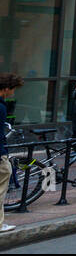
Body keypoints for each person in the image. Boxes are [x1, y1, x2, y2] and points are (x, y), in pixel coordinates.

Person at [0, 72, 23, 233]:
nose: (13, 93)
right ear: (6, 88)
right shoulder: (1, 106)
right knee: (1, 188)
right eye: (13, 89)